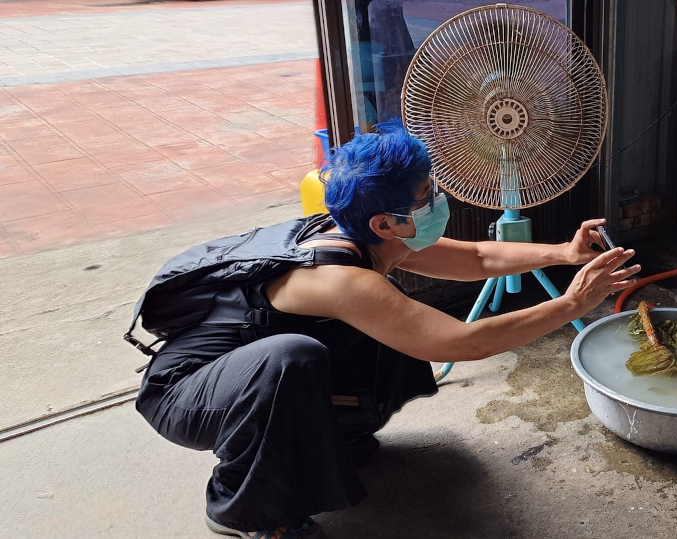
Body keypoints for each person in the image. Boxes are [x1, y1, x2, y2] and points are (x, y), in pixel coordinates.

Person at [133, 121, 639, 539]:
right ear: (385, 223)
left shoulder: (372, 237)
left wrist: (563, 253)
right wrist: (573, 302)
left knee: (382, 333)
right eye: (427, 194)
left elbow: (480, 256)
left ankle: (326, 442)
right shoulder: (339, 279)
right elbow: (464, 342)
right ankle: (241, 507)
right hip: (187, 393)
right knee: (293, 356)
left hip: (237, 374)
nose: (439, 198)